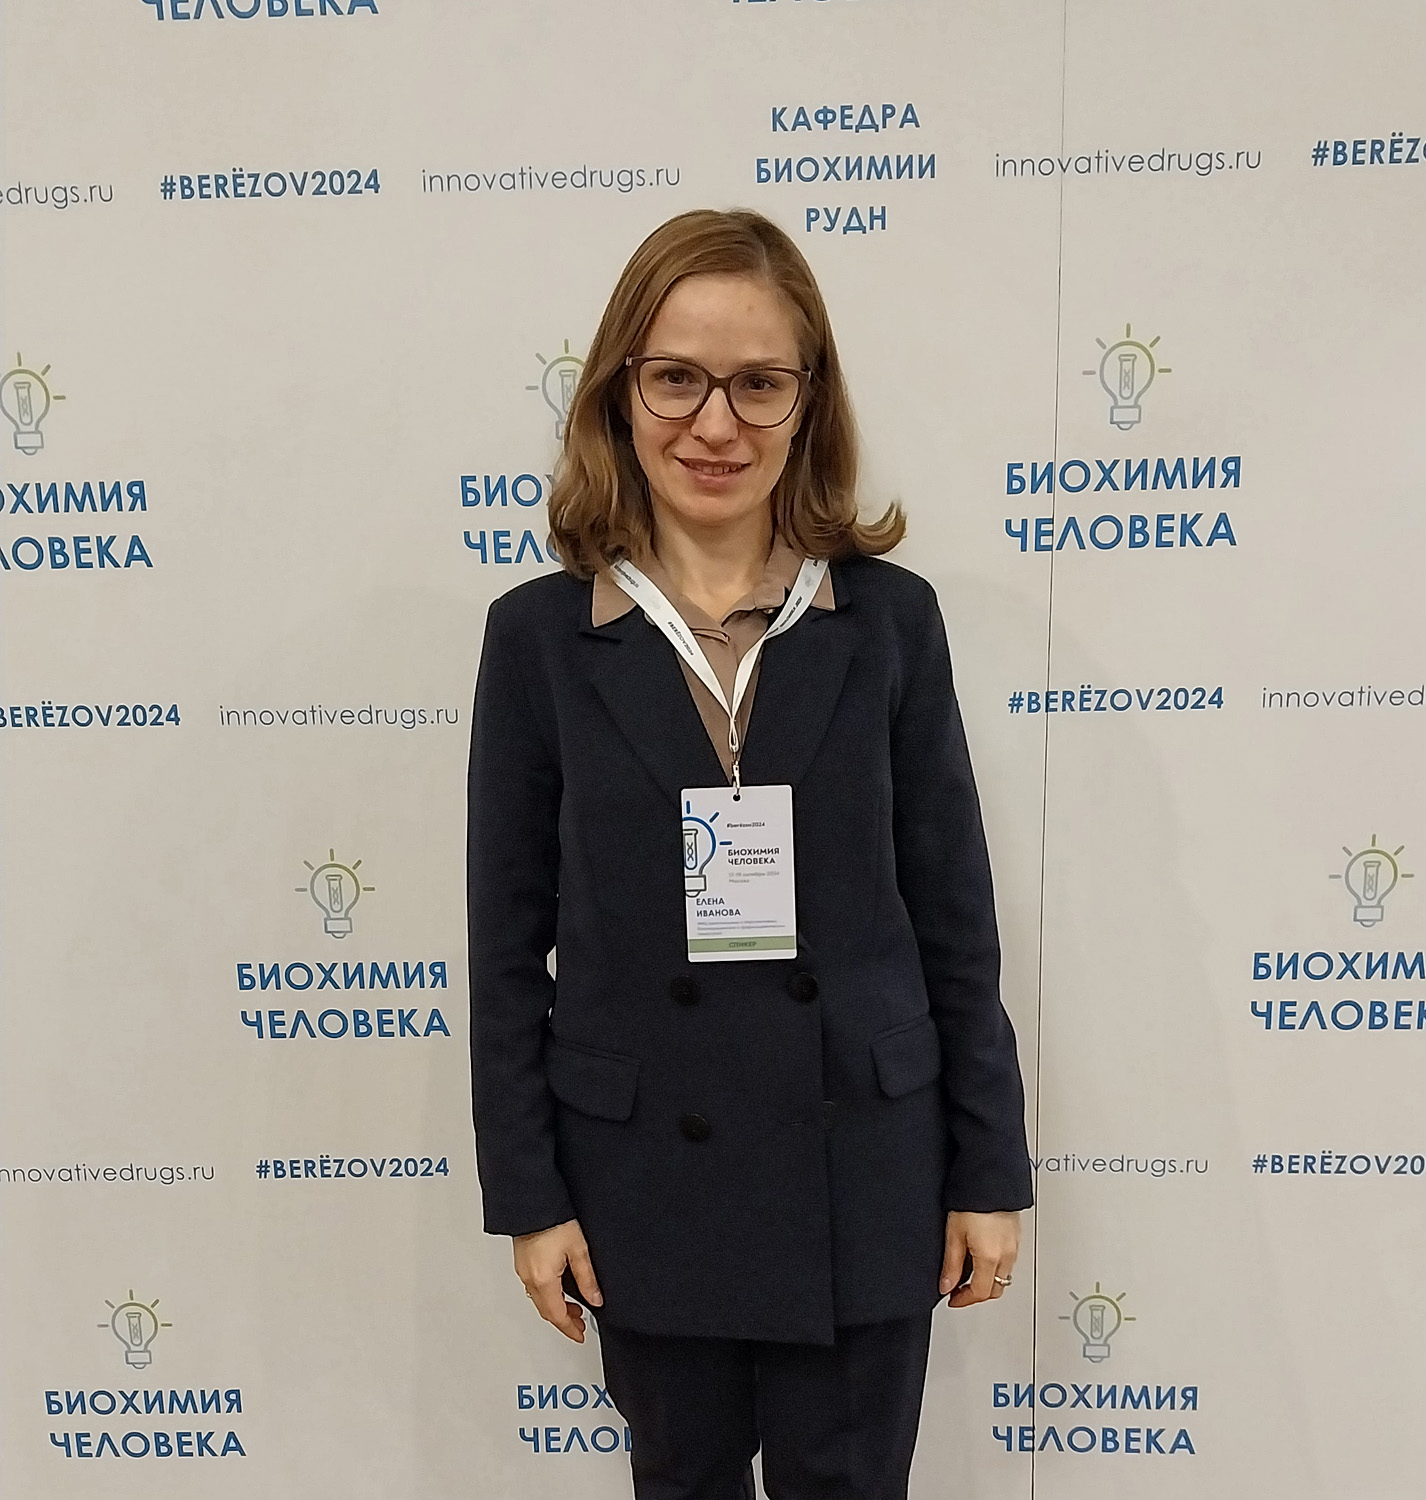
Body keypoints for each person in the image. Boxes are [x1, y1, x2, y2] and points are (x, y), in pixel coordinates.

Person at [467, 207, 1033, 1499]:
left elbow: (957, 921)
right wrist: (531, 1198)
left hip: (864, 1164)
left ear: (807, 400)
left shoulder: (890, 621)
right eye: (676, 378)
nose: (714, 425)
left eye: (759, 384)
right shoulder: (538, 640)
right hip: (646, 1177)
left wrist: (988, 1169)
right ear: (618, 392)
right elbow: (504, 951)